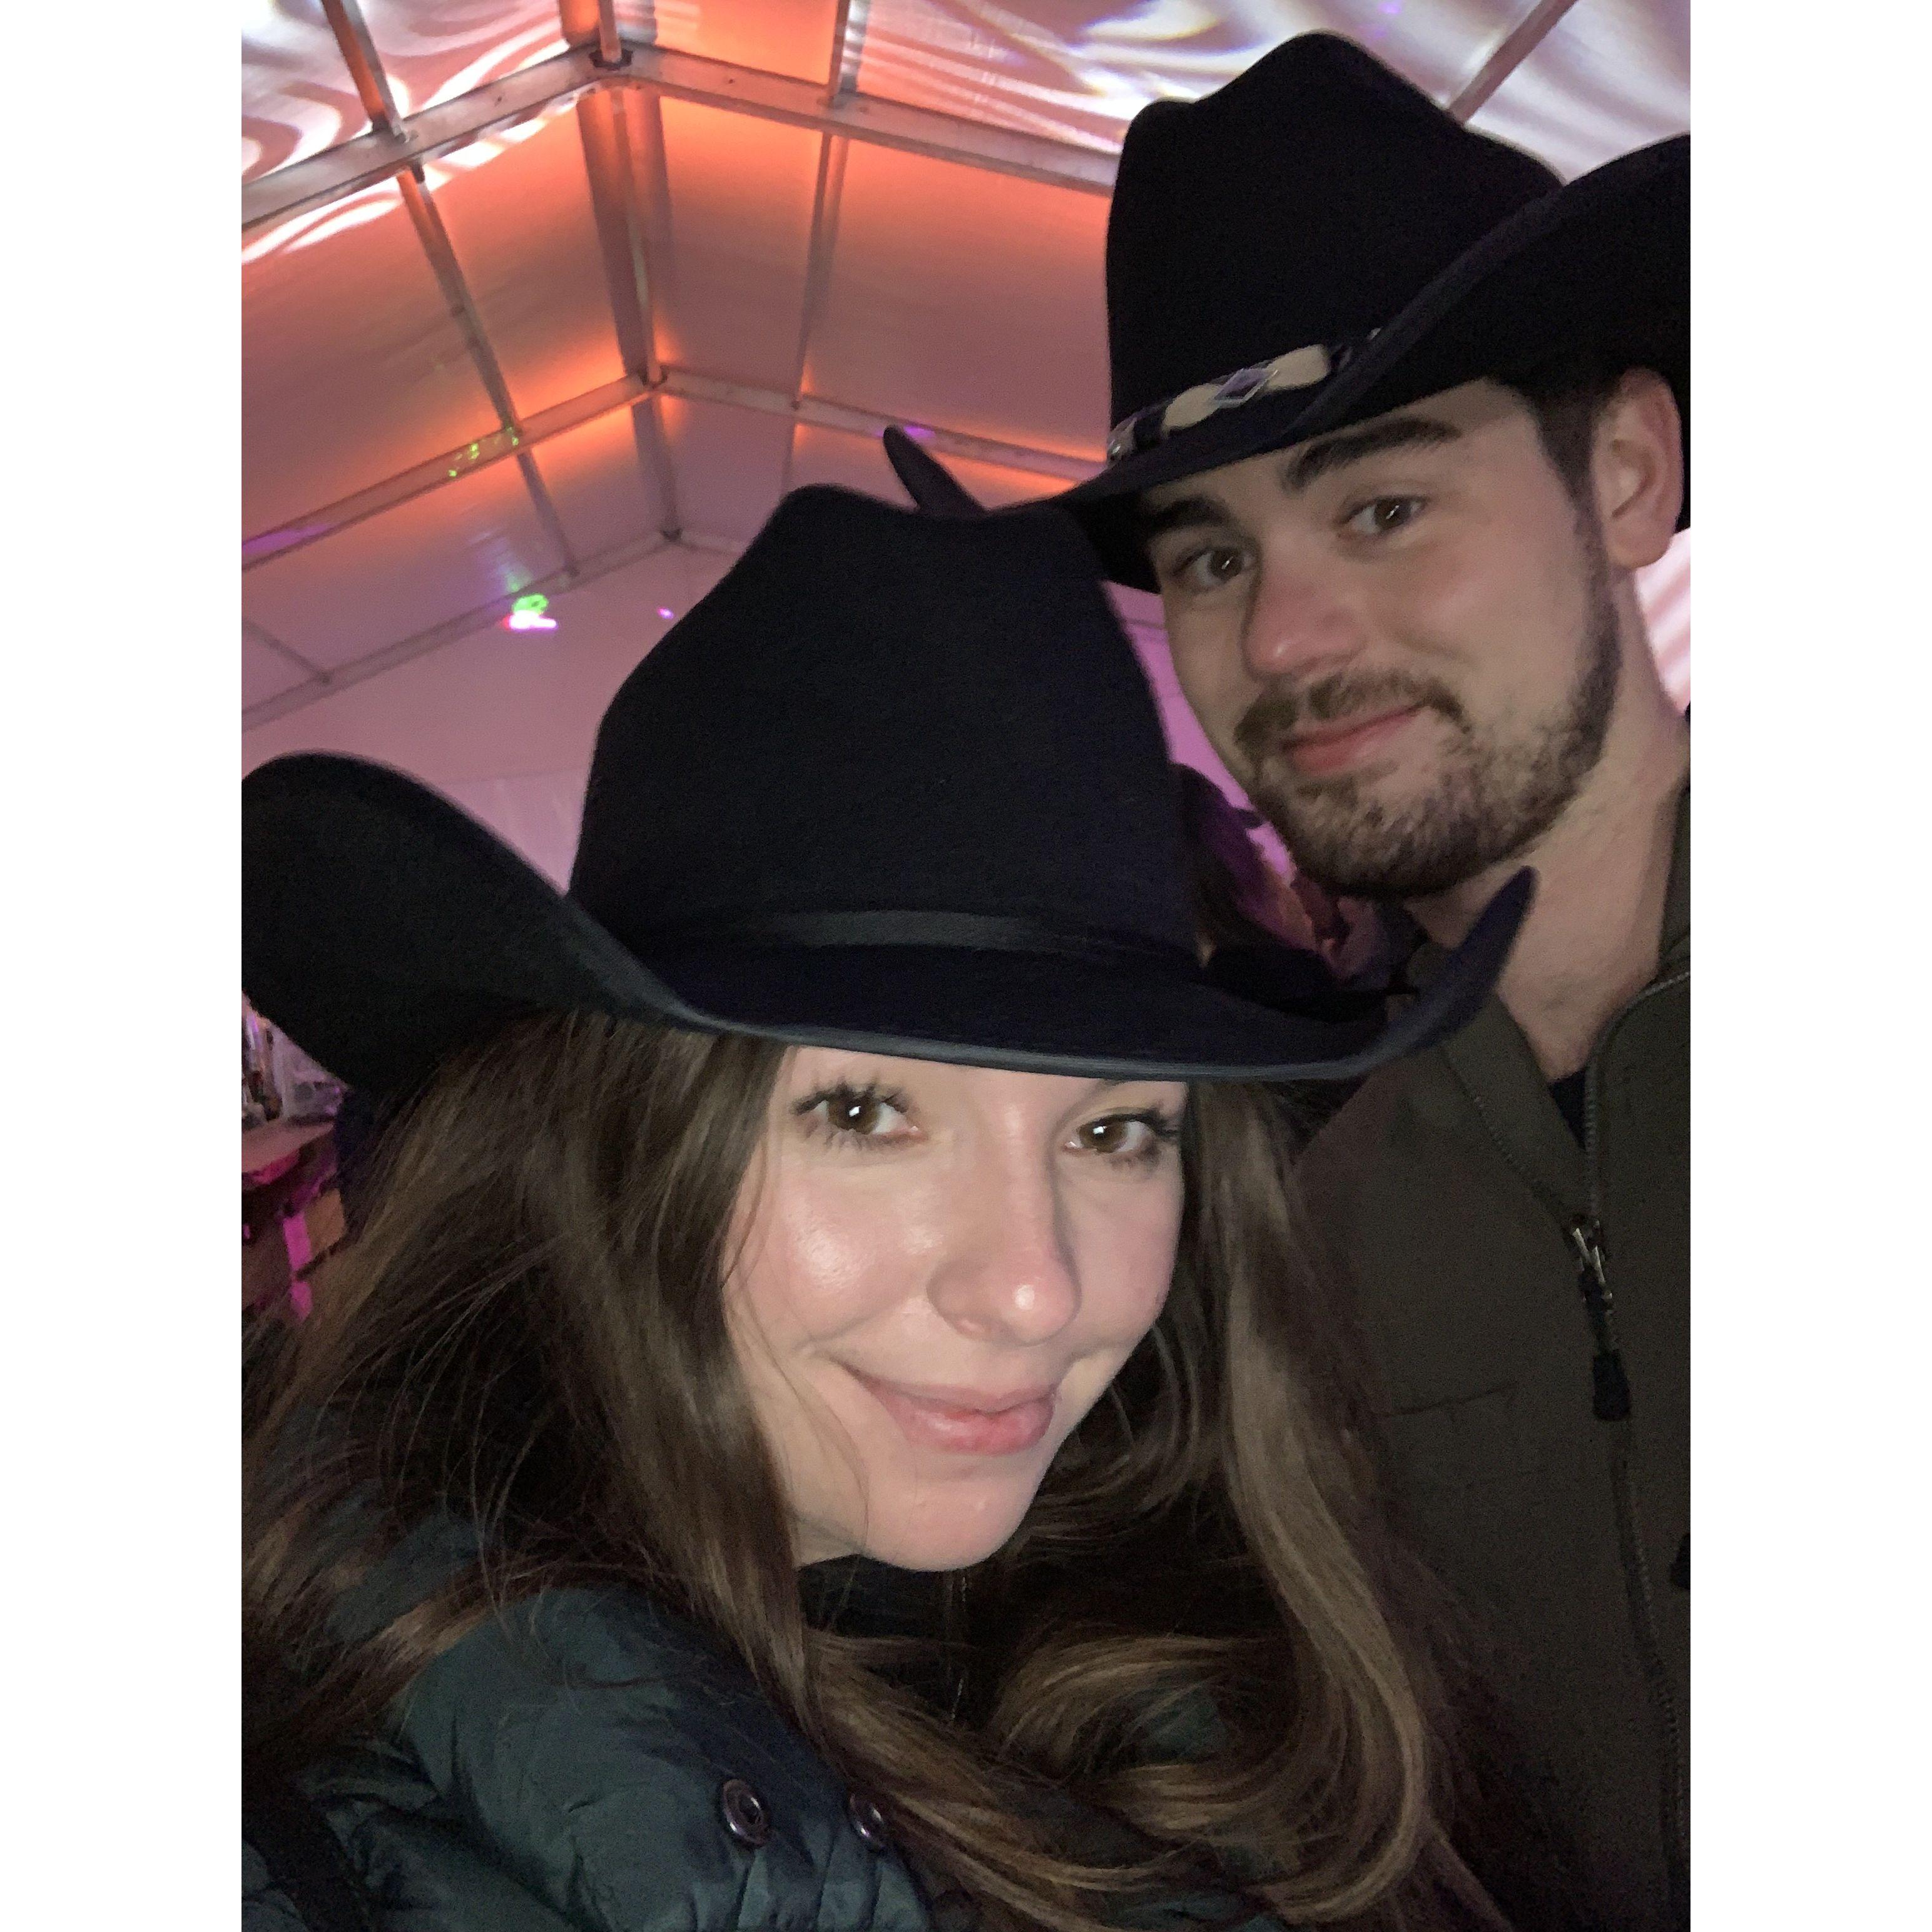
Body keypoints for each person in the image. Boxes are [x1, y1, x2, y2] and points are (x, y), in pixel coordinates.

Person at [242, 488, 1531, 1932]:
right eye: (862, 1114)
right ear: (596, 1152)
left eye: (1113, 1129)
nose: (1035, 1287)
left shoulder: (1239, 1646)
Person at [882, 34, 1689, 1931]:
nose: (1286, 639)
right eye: (1209, 557)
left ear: (1628, 471)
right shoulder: (1234, 1224)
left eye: (1383, 505)